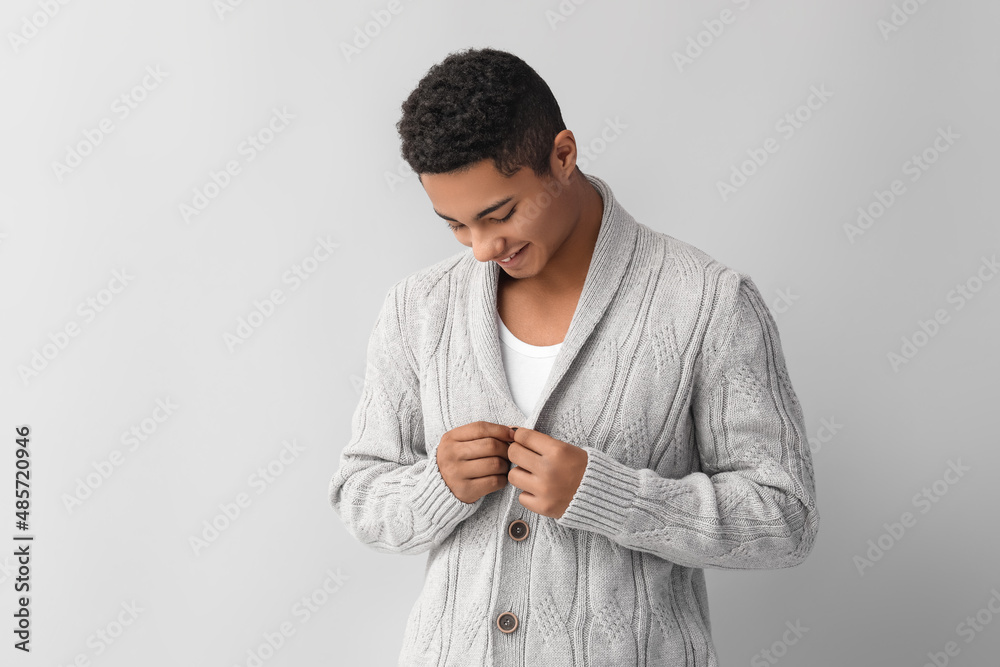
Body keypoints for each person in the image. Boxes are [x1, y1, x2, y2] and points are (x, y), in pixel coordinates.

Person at [329, 46, 819, 666]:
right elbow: (359, 491)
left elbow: (784, 518)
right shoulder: (419, 307)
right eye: (454, 225)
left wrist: (610, 496)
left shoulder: (707, 303)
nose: (481, 248)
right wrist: (437, 487)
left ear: (562, 156)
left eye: (499, 214)